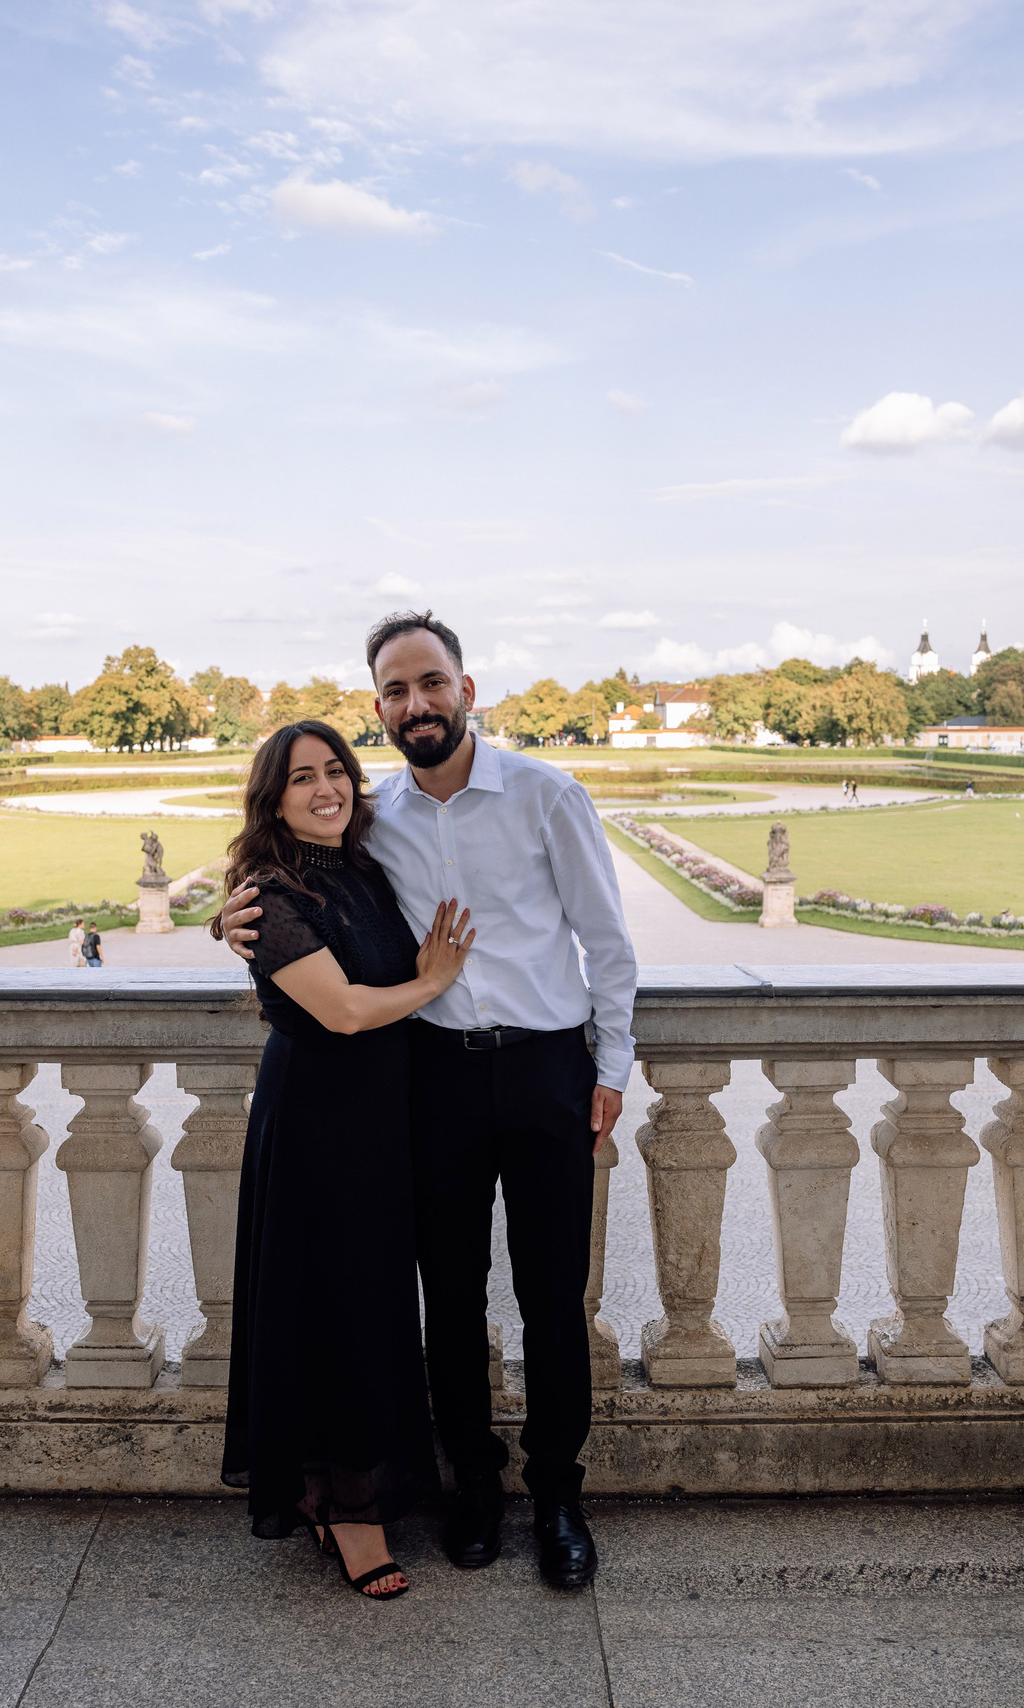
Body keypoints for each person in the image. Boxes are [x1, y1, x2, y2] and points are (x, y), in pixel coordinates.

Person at [218, 611, 637, 1590]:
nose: (417, 704)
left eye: (431, 683)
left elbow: (607, 942)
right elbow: (289, 876)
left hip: (544, 1072)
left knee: (550, 1300)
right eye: (397, 691)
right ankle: (476, 1492)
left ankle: (559, 1497)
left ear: (466, 689)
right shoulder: (378, 820)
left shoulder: (546, 793)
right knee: (446, 1302)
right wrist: (230, 913)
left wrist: (610, 1068)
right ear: (380, 710)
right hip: (435, 1077)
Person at [219, 718, 473, 1602]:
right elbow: (344, 1013)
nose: (327, 789)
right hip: (321, 1126)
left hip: (379, 1122)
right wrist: (433, 983)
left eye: (336, 771)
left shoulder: (358, 866)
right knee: (327, 1309)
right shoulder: (273, 898)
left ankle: (359, 1484)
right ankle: (344, 1508)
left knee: (368, 1306)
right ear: (273, 799)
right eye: (302, 779)